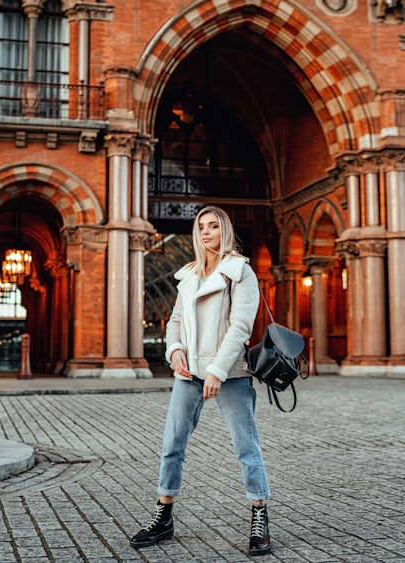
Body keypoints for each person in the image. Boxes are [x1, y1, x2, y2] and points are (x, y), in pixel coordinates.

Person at [130, 206, 272, 556]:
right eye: (201, 227)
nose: (206, 232)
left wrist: (217, 371)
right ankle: (164, 516)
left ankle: (259, 515)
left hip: (230, 372)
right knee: (172, 443)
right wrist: (175, 350)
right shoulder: (189, 275)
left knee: (245, 445)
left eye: (213, 226)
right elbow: (175, 321)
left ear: (225, 230)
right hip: (188, 373)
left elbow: (241, 327)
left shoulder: (240, 272)